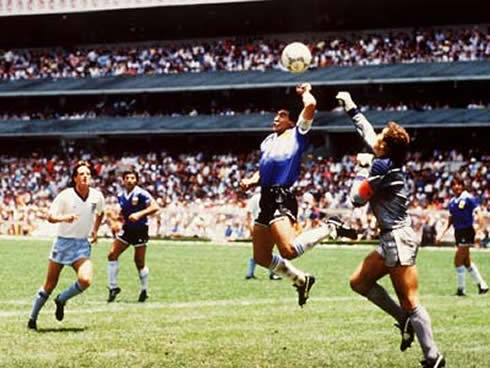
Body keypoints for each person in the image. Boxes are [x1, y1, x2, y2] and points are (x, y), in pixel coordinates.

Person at [336, 91, 445, 368]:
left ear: (385, 147)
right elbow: (369, 134)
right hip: (392, 238)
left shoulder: (382, 166)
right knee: (359, 282)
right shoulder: (387, 159)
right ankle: (404, 321)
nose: (377, 139)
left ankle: (433, 357)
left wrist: (362, 168)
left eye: (382, 137)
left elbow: (356, 198)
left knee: (410, 299)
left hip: (398, 238)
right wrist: (351, 107)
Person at [240, 83, 356, 307]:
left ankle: (330, 227)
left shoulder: (298, 133)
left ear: (291, 121)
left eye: (281, 116)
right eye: (275, 115)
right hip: (265, 197)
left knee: (289, 250)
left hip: (282, 196)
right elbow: (263, 168)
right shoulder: (267, 141)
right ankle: (302, 280)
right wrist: (251, 180)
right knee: (262, 257)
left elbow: (311, 105)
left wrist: (305, 93)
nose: (276, 119)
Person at [28, 161, 105, 330]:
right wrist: (65, 218)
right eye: (82, 174)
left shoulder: (97, 196)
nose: (85, 176)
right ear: (75, 178)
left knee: (85, 280)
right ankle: (32, 318)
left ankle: (61, 299)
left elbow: (101, 212)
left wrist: (95, 231)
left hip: (82, 245)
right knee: (49, 284)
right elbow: (50, 217)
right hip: (63, 243)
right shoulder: (65, 195)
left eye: (88, 174)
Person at [107, 169, 160, 303]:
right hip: (127, 230)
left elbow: (155, 207)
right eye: (127, 178)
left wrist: (139, 214)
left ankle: (144, 290)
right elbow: (124, 213)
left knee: (139, 262)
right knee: (112, 254)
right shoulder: (121, 196)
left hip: (140, 230)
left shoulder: (141, 193)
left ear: (136, 180)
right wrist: (116, 219)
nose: (130, 180)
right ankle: (113, 287)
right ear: (123, 180)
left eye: (132, 178)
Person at [436, 175, 488, 296]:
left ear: (462, 185)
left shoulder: (469, 198)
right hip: (458, 232)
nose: (456, 187)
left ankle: (461, 289)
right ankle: (482, 285)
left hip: (467, 231)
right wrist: (441, 234)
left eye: (458, 184)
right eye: (454, 185)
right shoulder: (452, 202)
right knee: (466, 262)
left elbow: (479, 214)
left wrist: (479, 231)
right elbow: (449, 220)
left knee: (457, 261)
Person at [244, 190, 281, 280]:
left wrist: (250, 228)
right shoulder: (270, 198)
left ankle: (250, 273)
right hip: (267, 226)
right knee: (267, 251)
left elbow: (248, 214)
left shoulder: (254, 198)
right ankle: (272, 273)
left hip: (258, 226)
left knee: (260, 250)